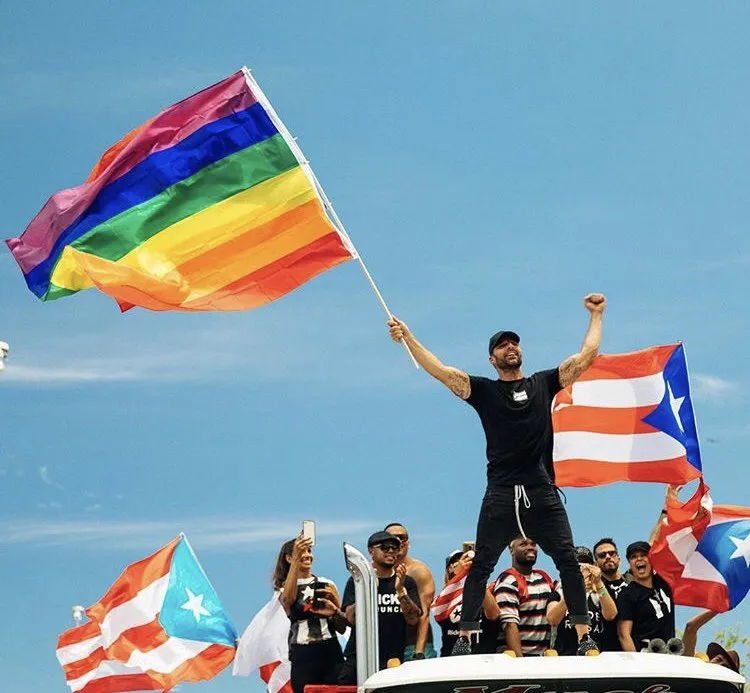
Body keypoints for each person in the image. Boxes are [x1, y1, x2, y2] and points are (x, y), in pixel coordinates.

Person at [388, 293, 607, 655]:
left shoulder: (543, 383)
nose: (510, 347)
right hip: (502, 493)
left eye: (514, 343)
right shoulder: (485, 391)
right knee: (481, 564)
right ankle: (464, 638)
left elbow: (586, 358)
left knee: (568, 559)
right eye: (502, 345)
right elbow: (443, 372)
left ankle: (584, 637)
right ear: (493, 359)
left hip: (540, 490)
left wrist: (596, 315)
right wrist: (408, 338)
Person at [338, 531, 421, 684]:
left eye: (395, 548)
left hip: (392, 660)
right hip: (358, 657)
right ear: (371, 551)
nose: (391, 551)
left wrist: (401, 591)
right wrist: (369, 586)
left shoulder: (407, 583)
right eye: (385, 547)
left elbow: (413, 620)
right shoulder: (357, 581)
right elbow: (351, 619)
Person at [274, 537, 347, 693]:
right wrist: (295, 561)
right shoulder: (284, 590)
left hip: (330, 650)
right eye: (301, 551)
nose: (306, 555)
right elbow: (287, 600)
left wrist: (336, 610)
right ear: (288, 558)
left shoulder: (327, 584)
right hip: (303, 653)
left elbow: (341, 627)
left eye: (309, 551)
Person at [485, 536, 557, 657]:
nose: (530, 548)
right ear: (511, 549)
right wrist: (520, 665)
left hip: (543, 658)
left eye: (533, 544)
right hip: (517, 659)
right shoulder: (508, 581)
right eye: (523, 544)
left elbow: (564, 590)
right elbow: (509, 624)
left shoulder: (544, 577)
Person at [547, 546, 617, 655]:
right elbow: (552, 619)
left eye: (586, 563)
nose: (582, 567)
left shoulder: (600, 593)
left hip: (594, 656)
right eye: (578, 563)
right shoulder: (559, 593)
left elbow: (611, 615)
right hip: (565, 657)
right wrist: (574, 591)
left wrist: (598, 584)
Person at [383, 522, 437, 660]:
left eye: (402, 537)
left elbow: (424, 614)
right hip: (386, 646)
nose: (398, 541)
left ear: (408, 542)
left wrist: (419, 652)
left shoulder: (418, 571)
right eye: (393, 538)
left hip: (413, 645)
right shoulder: (375, 572)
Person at [617, 541, 675, 651]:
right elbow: (624, 635)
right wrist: (637, 664)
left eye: (643, 555)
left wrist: (663, 523)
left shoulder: (664, 583)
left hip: (670, 655)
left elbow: (659, 541)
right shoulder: (626, 595)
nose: (639, 559)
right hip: (645, 656)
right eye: (633, 557)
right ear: (629, 563)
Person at [592, 537, 629, 651]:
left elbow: (650, 550)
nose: (608, 557)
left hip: (635, 648)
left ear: (618, 558)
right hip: (607, 652)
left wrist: (662, 520)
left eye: (612, 553)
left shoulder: (632, 581)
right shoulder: (594, 588)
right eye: (602, 555)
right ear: (596, 563)